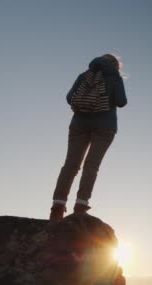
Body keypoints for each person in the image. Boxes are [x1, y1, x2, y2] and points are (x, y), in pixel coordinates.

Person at [50, 54, 127, 221]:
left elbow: (70, 98)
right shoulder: (114, 78)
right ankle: (81, 204)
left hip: (79, 124)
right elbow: (121, 101)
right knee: (91, 166)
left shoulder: (84, 76)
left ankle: (57, 205)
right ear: (115, 66)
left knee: (70, 165)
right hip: (105, 127)